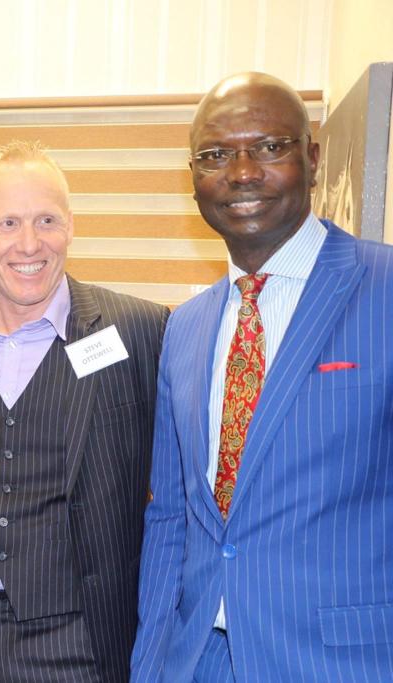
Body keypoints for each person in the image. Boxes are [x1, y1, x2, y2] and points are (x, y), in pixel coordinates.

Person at [131, 72, 393, 682]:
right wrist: (150, 667)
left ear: (313, 158)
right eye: (216, 155)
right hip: (199, 661)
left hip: (343, 662)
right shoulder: (185, 328)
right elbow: (171, 519)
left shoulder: (383, 291)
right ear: (193, 177)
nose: (242, 172)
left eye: (270, 147)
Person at [0, 141, 169, 682]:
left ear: (71, 225)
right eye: (8, 223)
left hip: (81, 639)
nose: (29, 244)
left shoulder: (141, 331)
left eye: (46, 220)